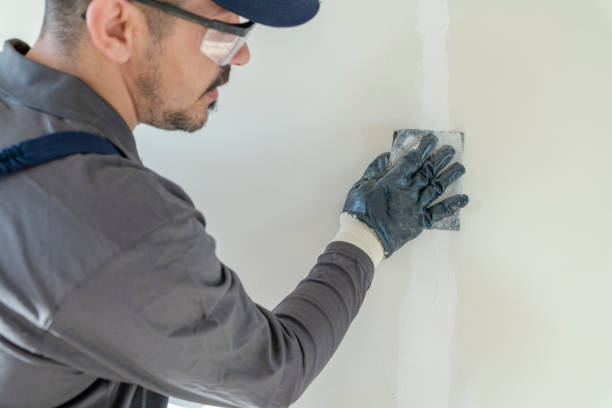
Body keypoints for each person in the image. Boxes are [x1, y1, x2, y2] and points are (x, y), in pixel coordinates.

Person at [0, 0, 469, 407]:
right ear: (117, 27)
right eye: (224, 29)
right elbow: (273, 374)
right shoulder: (112, 221)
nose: (240, 56)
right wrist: (367, 234)